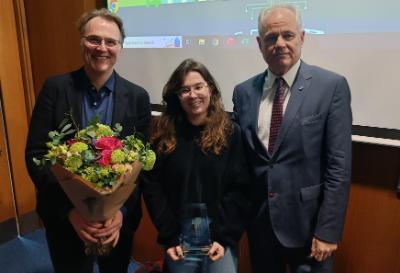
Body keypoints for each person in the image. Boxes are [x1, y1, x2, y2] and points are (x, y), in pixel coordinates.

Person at [25, 8, 151, 273]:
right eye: (94, 39)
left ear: (120, 47)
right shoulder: (55, 89)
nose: (101, 48)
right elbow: (36, 154)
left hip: (117, 224)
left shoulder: (137, 96)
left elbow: (141, 166)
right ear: (81, 41)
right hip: (66, 218)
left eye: (110, 42)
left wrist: (120, 213)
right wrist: (72, 212)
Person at [232, 4, 352, 273]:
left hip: (310, 230)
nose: (280, 44)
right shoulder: (243, 93)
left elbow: (339, 167)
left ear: (302, 37)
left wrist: (328, 231)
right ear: (259, 43)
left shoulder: (331, 87)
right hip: (261, 226)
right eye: (271, 38)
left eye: (288, 35)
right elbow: (242, 164)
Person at [142, 59, 250, 273]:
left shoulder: (231, 133)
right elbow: (153, 188)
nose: (193, 95)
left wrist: (224, 236)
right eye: (185, 90)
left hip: (219, 239)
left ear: (210, 88)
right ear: (177, 96)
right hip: (179, 239)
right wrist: (169, 236)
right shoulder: (162, 135)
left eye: (199, 87)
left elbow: (240, 188)